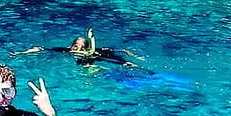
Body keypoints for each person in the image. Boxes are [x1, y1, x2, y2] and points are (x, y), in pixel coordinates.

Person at [12, 27, 140, 68]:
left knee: (111, 61)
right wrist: (21, 53)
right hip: (84, 59)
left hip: (94, 57)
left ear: (85, 49)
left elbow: (118, 51)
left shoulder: (96, 51)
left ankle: (130, 65)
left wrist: (130, 56)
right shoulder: (67, 50)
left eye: (80, 47)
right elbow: (39, 48)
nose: (76, 49)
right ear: (71, 46)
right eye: (75, 46)